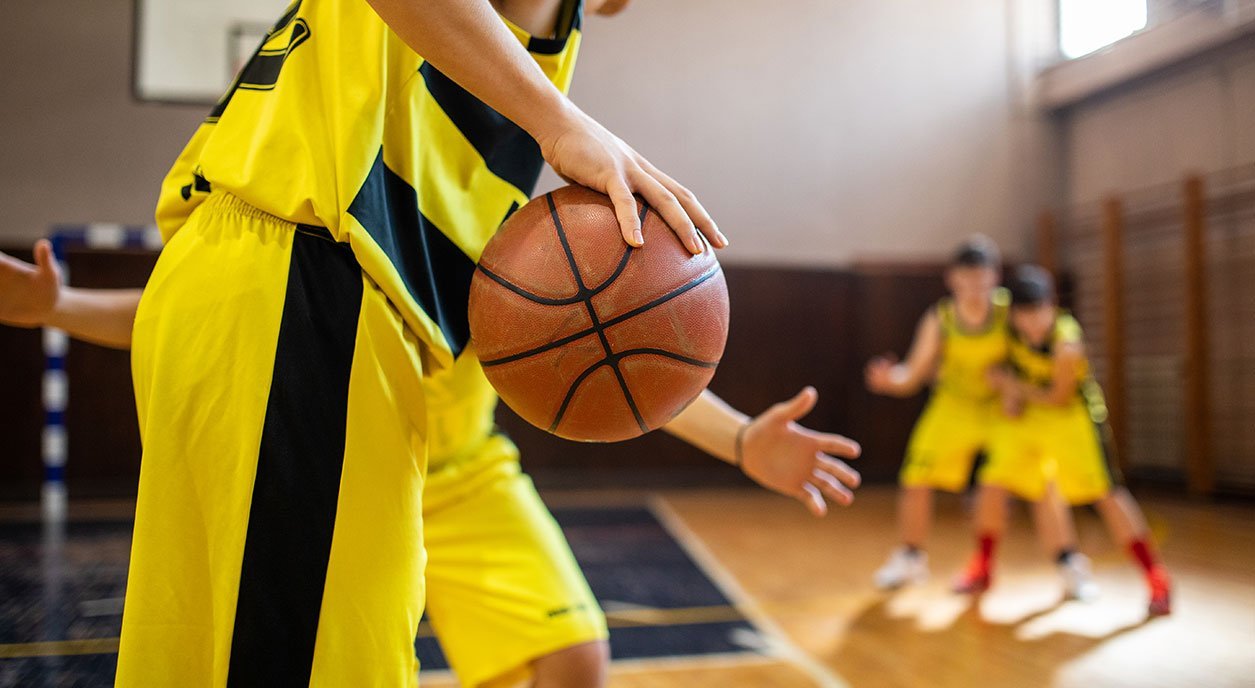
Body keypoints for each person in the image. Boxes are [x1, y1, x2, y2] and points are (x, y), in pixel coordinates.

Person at [0, 1, 861, 683]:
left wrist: (740, 438)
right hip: (308, 292)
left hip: (243, 299)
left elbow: (603, 350)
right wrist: (560, 123)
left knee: (207, 653)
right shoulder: (521, 90)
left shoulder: (464, 100)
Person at [864, 236, 1076, 590]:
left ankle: (1069, 563)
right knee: (916, 477)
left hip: (1000, 409)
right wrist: (890, 380)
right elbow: (912, 375)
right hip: (953, 407)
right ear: (953, 279)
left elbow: (1044, 340)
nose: (976, 287)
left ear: (995, 278)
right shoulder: (941, 317)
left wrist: (1015, 390)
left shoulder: (1011, 312)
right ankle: (911, 557)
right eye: (968, 278)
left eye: (983, 278)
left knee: (1042, 482)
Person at [960, 265, 1172, 616]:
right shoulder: (1006, 328)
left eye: (1038, 313)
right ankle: (984, 568)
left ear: (1052, 306)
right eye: (1024, 315)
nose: (1032, 323)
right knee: (991, 484)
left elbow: (1058, 397)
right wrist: (1009, 390)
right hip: (1027, 419)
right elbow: (995, 368)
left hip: (1072, 417)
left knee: (1106, 494)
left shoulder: (1065, 341)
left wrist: (1013, 389)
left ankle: (1156, 579)